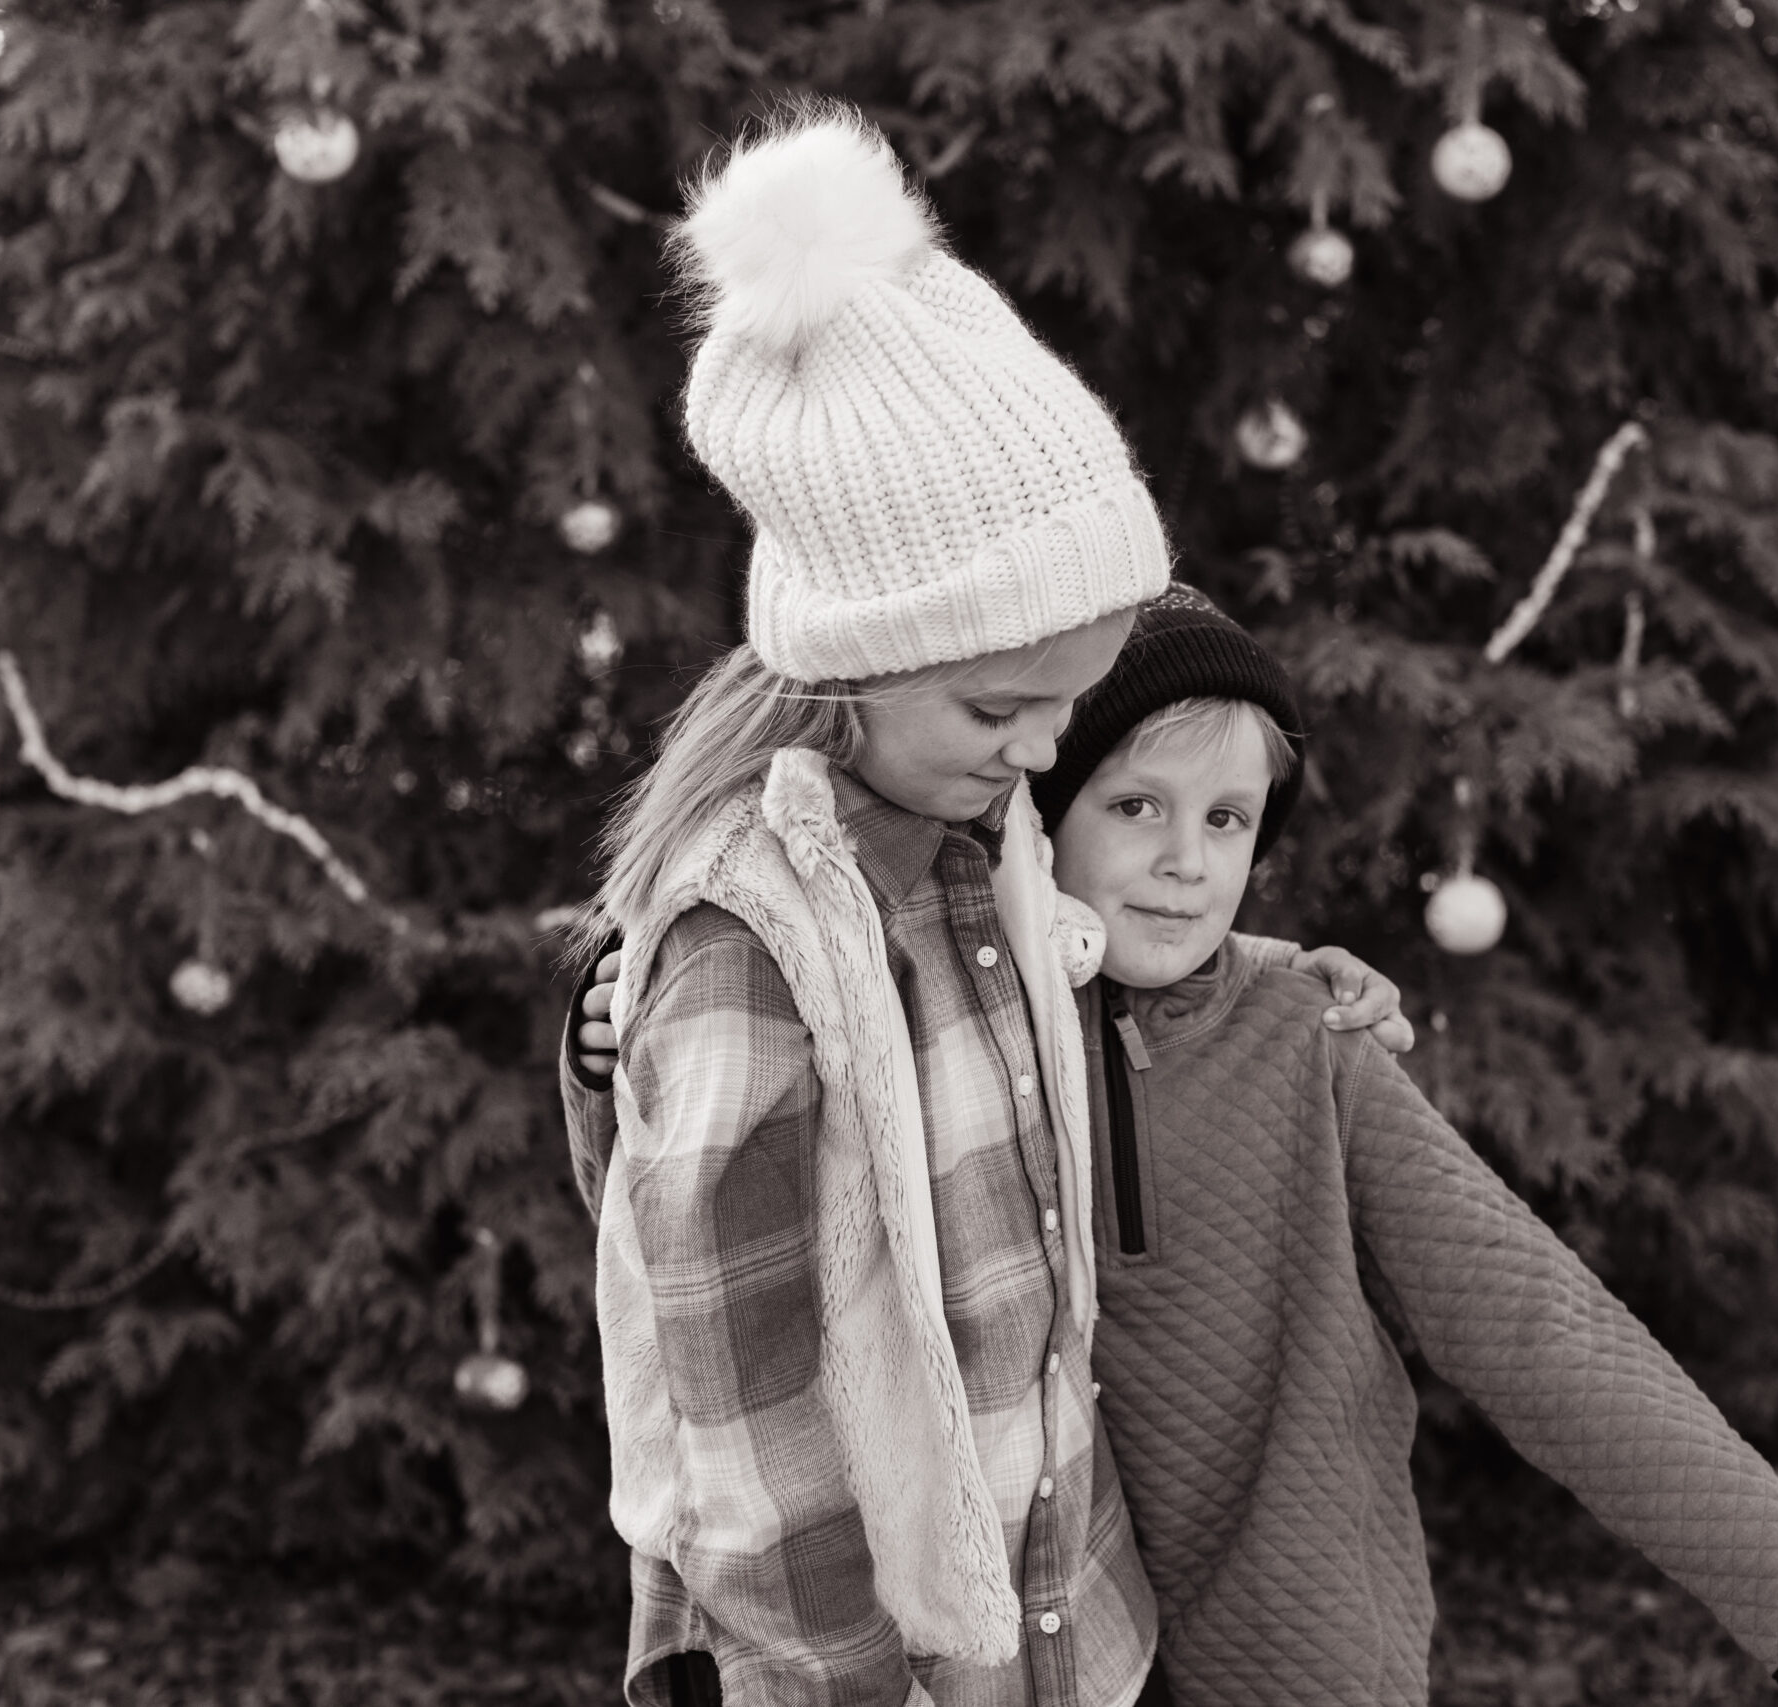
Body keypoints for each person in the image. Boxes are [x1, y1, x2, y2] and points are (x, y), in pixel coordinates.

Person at [568, 109, 1408, 1707]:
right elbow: (736, 1391)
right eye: (1006, 707)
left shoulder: (974, 843)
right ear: (855, 663)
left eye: (1069, 698)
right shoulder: (754, 947)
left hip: (1062, 1617)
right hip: (862, 1657)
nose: (1048, 753)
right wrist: (846, 1677)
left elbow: (1095, 958)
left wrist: (1291, 972)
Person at [1022, 584, 1778, 1704]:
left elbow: (1523, 1312)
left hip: (1304, 1643)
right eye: (1137, 806)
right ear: (1042, 811)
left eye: (1227, 819)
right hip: (1043, 1649)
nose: (1188, 861)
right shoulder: (966, 1035)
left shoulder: (1312, 1040)